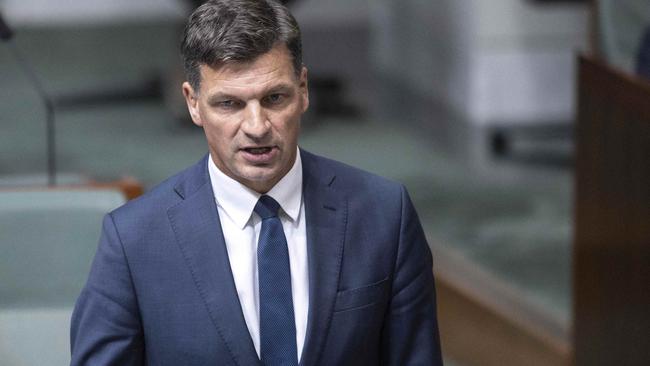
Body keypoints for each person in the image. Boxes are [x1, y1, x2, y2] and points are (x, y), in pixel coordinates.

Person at [70, 0, 443, 365]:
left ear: (303, 90)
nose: (256, 127)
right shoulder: (134, 239)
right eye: (229, 104)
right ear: (193, 103)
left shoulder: (383, 214)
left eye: (274, 98)